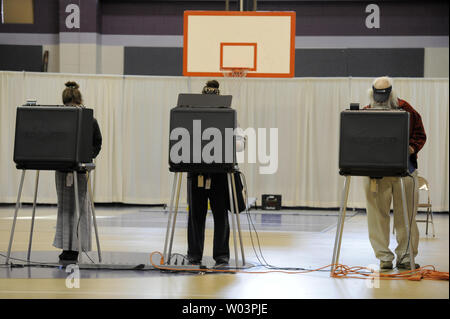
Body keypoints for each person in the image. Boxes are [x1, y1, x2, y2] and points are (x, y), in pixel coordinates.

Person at [363, 76, 426, 270]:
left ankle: (406, 257)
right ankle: (384, 258)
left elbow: (420, 134)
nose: (380, 100)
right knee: (377, 217)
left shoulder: (406, 109)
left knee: (406, 217)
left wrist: (411, 148)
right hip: (375, 174)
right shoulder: (365, 112)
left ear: (392, 93)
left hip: (405, 171)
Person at [186, 80, 245, 266]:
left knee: (220, 214)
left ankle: (221, 256)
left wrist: (224, 142)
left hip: (220, 173)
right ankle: (194, 255)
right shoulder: (191, 117)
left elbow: (241, 143)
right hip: (197, 171)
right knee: (196, 215)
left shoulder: (229, 117)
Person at [53, 81, 102, 262]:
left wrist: (88, 156)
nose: (70, 109)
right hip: (62, 169)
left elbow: (97, 142)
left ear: (79, 103)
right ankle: (66, 247)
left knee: (79, 210)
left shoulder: (90, 120)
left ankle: (77, 247)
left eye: (73, 106)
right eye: (68, 106)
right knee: (64, 210)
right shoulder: (59, 119)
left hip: (80, 171)